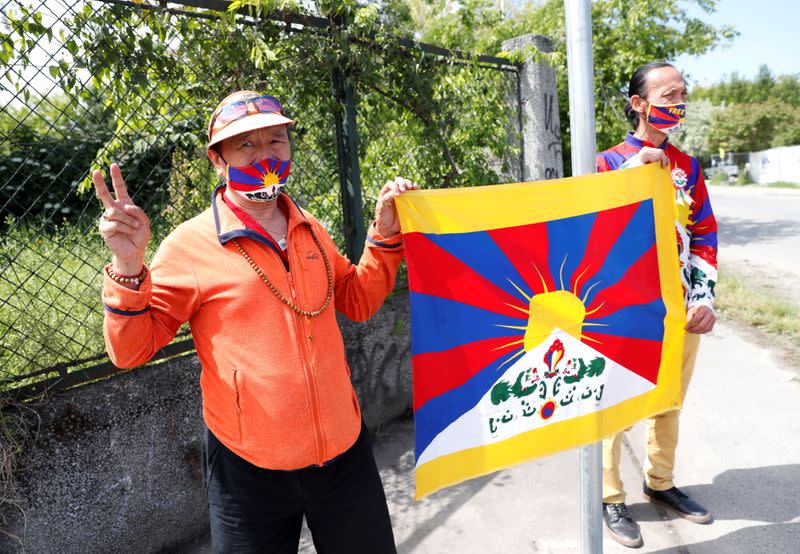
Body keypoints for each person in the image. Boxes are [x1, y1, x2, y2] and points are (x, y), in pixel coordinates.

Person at [93, 90, 417, 553]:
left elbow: (358, 300)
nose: (265, 154)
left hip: (344, 455)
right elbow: (130, 351)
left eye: (277, 140)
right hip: (248, 471)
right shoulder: (189, 247)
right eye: (245, 144)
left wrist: (385, 235)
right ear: (217, 159)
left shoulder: (309, 226)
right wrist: (128, 265)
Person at [595, 62, 718, 548]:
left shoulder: (689, 168)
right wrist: (631, 174)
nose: (678, 102)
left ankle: (660, 483)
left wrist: (704, 297)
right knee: (615, 403)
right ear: (639, 104)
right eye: (668, 94)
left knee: (669, 401)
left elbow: (704, 232)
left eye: (683, 94)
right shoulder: (607, 163)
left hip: (680, 308)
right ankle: (608, 497)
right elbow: (593, 229)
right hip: (623, 310)